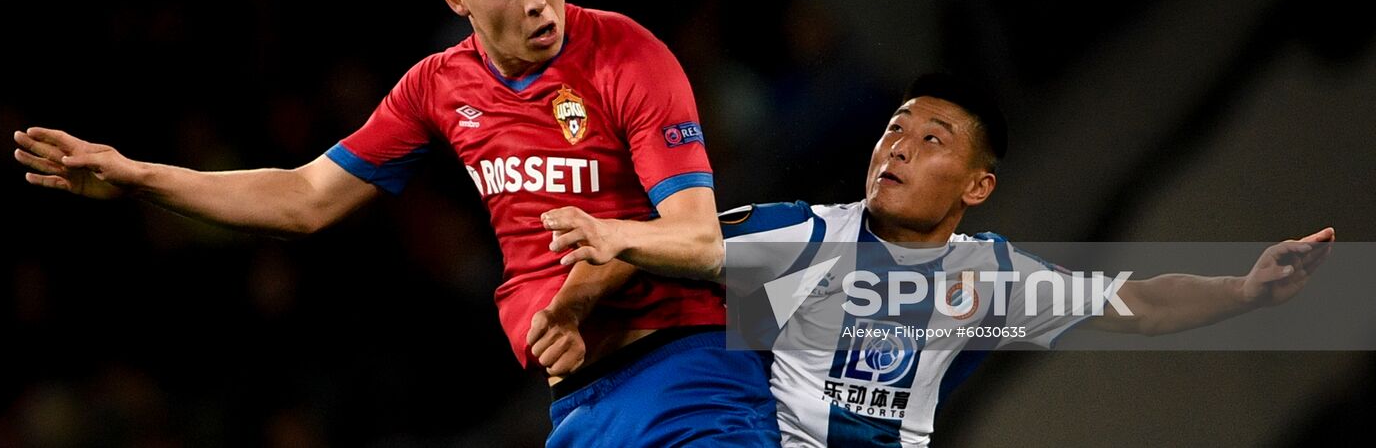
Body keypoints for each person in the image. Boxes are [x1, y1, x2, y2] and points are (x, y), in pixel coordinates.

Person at [15, 0, 780, 447]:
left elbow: (699, 238)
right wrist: (141, 176)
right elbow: (302, 197)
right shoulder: (437, 86)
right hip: (578, 399)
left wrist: (588, 280)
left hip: (690, 367)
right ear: (456, 0)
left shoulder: (628, 54)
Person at [542, 72, 1335, 447]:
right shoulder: (805, 234)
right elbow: (665, 242)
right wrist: (571, 310)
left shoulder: (988, 281)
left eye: (932, 140)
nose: (899, 147)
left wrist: (1246, 289)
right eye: (894, 128)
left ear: (978, 184)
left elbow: (1143, 304)